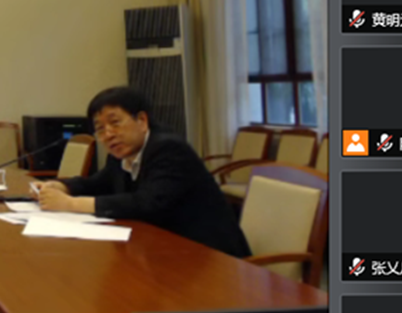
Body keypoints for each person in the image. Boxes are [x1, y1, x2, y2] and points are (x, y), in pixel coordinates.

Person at [35, 86, 251, 258]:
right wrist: (62, 186)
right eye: (100, 129)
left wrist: (71, 204)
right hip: (163, 248)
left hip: (210, 256)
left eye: (115, 123)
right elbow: (98, 183)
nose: (108, 134)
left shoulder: (169, 149)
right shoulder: (121, 154)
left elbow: (148, 203)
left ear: (142, 120)